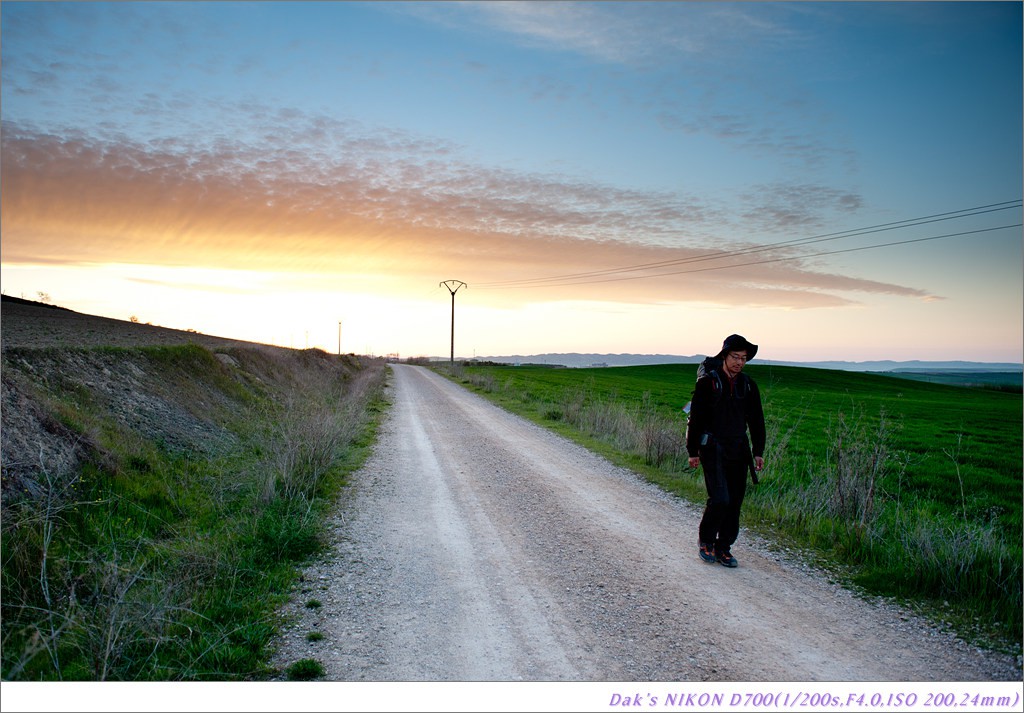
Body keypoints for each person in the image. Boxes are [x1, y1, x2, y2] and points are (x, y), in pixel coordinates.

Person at [685, 334, 765, 568]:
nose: (740, 362)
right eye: (735, 357)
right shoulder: (708, 383)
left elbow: (757, 420)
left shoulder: (748, 385)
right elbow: (696, 419)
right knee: (720, 498)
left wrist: (758, 450)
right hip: (713, 448)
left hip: (739, 450)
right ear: (724, 356)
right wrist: (693, 451)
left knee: (735, 502)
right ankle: (706, 542)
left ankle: (724, 548)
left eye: (744, 358)